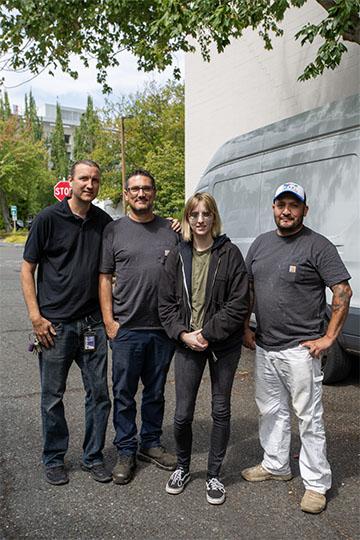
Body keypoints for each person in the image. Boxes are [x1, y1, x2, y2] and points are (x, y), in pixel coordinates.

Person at [241, 182, 352, 514]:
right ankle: (276, 464)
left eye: (293, 205)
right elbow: (249, 287)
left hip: (301, 350)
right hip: (266, 346)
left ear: (305, 209)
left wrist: (329, 338)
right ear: (273, 208)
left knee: (308, 418)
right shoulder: (261, 244)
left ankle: (316, 484)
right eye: (280, 204)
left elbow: (342, 291)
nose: (286, 211)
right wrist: (246, 324)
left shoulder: (317, 246)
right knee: (270, 410)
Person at [21, 159, 113, 486]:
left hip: (92, 326)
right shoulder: (47, 219)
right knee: (52, 397)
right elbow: (26, 269)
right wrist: (35, 317)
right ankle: (54, 458)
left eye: (95, 180)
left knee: (99, 394)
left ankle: (93, 457)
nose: (89, 185)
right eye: (84, 179)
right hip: (54, 327)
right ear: (71, 182)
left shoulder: (104, 222)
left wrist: (172, 225)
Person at [158, 192, 249, 505]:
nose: (200, 220)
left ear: (214, 218)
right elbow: (165, 303)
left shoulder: (230, 254)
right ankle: (183, 467)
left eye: (205, 214)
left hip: (222, 345)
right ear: (187, 218)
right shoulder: (177, 255)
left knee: (220, 410)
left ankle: (214, 475)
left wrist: (207, 332)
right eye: (194, 214)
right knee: (182, 415)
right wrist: (184, 335)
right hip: (187, 343)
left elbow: (239, 303)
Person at [99, 168, 179, 485]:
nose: (141, 194)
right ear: (127, 194)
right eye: (135, 189)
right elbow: (104, 277)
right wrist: (109, 321)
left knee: (155, 392)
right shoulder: (114, 231)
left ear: (154, 192)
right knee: (124, 393)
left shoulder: (171, 231)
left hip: (162, 329)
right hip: (126, 328)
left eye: (146, 188)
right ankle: (125, 450)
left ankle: (151, 443)